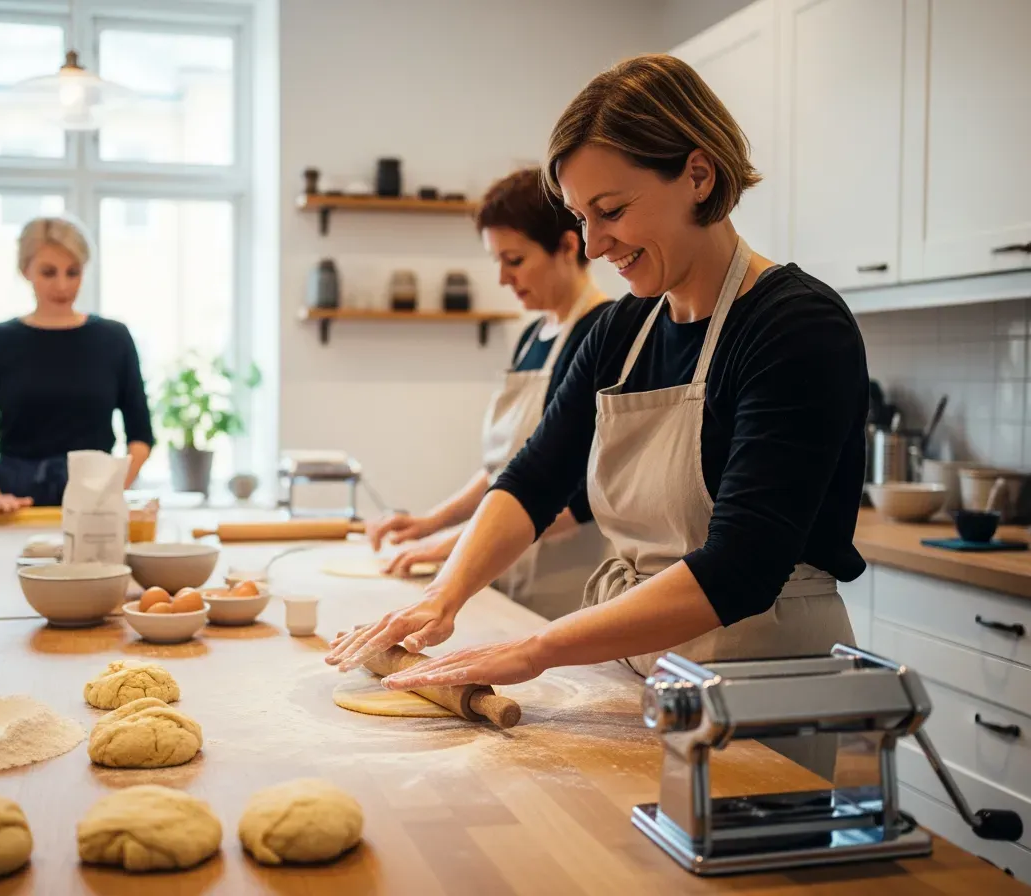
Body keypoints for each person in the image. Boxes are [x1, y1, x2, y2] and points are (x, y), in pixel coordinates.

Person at [328, 55, 867, 773]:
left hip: (760, 685)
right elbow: (533, 477)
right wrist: (444, 594)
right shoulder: (624, 330)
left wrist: (537, 649)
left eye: (610, 211)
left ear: (698, 176)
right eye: (581, 218)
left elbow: (740, 568)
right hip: (643, 671)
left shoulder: (795, 327)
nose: (593, 245)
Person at [366, 169, 610, 620]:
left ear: (568, 246)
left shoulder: (601, 334)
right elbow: (505, 468)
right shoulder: (533, 336)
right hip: (510, 572)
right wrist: (432, 522)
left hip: (568, 584)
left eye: (514, 260)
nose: (502, 278)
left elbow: (579, 495)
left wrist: (457, 545)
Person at [0, 216, 155, 511]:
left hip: (95, 498)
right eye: (49, 272)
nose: (62, 285)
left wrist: (109, 491)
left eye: (73, 272)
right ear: (25, 270)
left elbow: (141, 437)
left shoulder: (114, 338)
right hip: (17, 501)